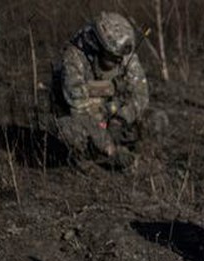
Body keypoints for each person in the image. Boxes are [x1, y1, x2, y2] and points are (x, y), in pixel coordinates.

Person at [51, 12, 165, 167]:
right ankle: (88, 159)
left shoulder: (123, 52)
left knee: (156, 119)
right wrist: (109, 148)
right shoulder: (74, 56)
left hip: (113, 115)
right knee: (69, 132)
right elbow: (79, 109)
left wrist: (120, 120)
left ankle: (131, 156)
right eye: (112, 58)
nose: (118, 62)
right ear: (99, 47)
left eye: (120, 58)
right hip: (85, 121)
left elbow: (140, 94)